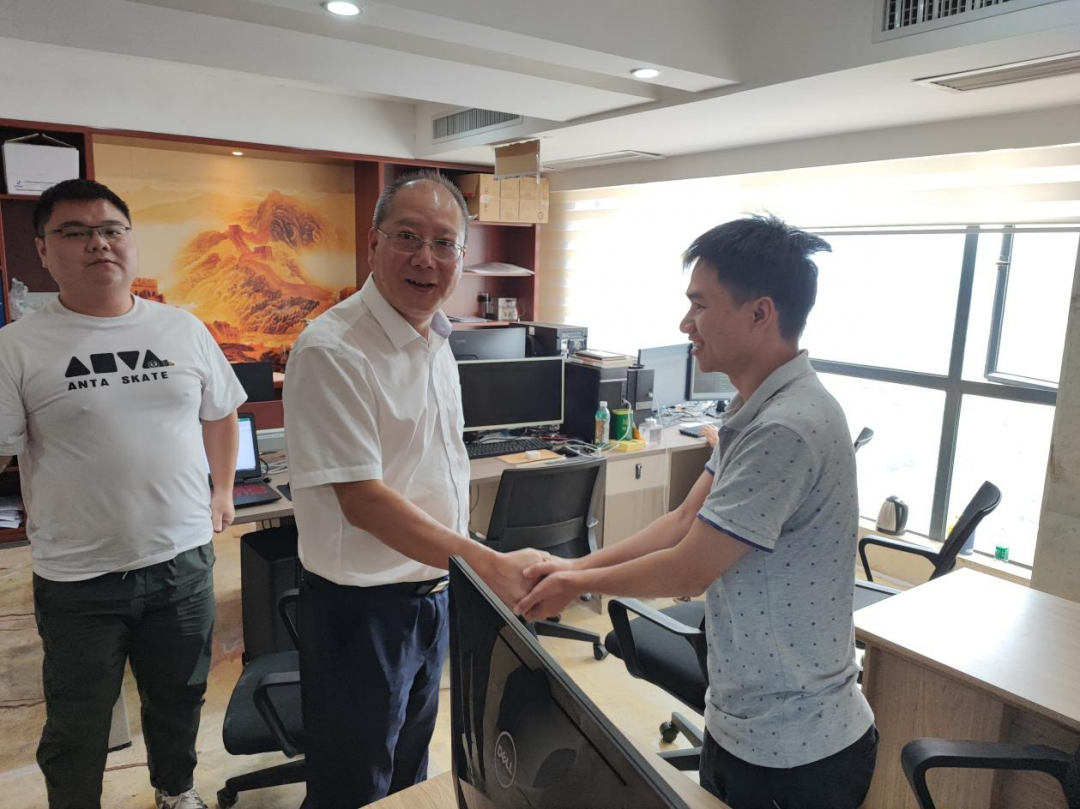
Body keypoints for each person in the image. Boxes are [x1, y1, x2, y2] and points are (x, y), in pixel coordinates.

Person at [518, 215, 878, 809]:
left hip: (796, 746)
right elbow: (683, 521)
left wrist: (578, 585)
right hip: (741, 721)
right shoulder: (752, 407)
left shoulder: (787, 426)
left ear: (760, 313)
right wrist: (573, 568)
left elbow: (691, 566)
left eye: (700, 305)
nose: (686, 323)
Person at [283, 170, 546, 808]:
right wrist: (484, 562)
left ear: (462, 255)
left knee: (408, 769)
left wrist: (462, 566)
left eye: (444, 242)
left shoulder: (438, 338)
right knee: (354, 785)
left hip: (432, 594)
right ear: (373, 243)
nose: (426, 258)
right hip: (362, 612)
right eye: (407, 236)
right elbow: (363, 500)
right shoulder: (335, 349)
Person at [0, 179, 245, 809]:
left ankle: (176, 791)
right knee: (78, 720)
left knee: (180, 697)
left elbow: (220, 411)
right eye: (74, 232)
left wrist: (222, 491)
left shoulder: (182, 328)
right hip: (79, 575)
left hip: (182, 561)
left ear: (131, 242)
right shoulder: (17, 346)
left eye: (112, 230)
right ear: (43, 250)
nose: (98, 244)